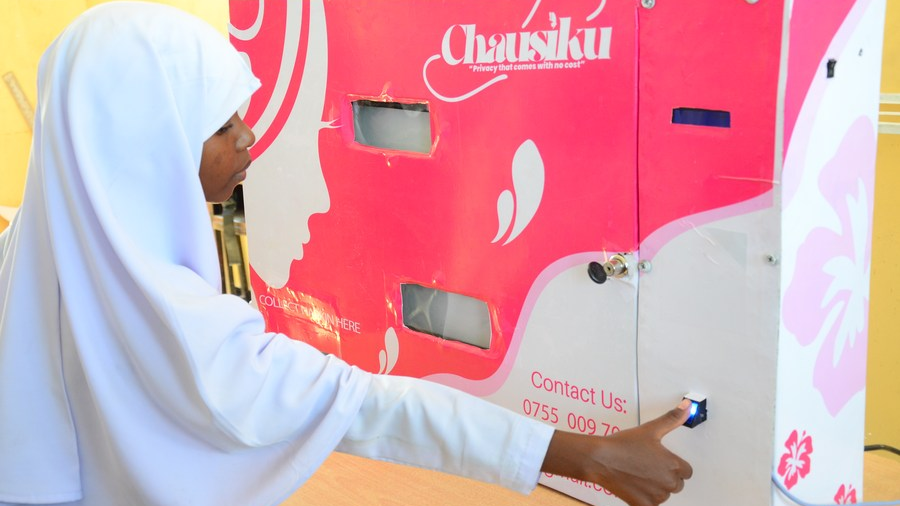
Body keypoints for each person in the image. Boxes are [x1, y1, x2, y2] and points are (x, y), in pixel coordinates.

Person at [0, 3, 692, 506]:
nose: (248, 142)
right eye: (220, 126)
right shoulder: (185, 330)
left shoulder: (21, 259)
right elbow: (366, 404)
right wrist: (586, 458)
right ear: (142, 149)